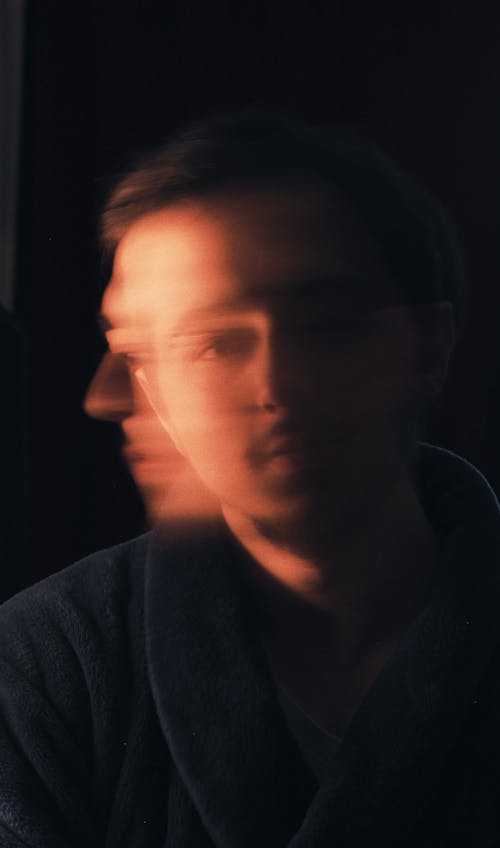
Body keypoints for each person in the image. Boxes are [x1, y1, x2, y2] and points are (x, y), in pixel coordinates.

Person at [1, 112, 498, 847]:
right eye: (208, 344)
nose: (276, 384)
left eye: (321, 324)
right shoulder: (45, 667)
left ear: (424, 344)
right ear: (152, 385)